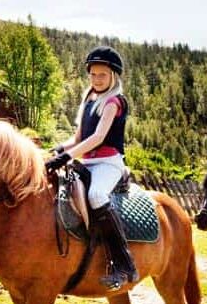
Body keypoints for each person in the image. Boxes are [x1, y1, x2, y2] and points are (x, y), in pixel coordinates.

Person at [45, 46, 138, 290]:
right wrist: (57, 150)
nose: (97, 80)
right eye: (93, 75)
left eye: (103, 75)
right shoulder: (89, 100)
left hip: (109, 163)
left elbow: (97, 138)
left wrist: (65, 158)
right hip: (86, 161)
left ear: (113, 77)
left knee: (96, 195)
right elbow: (77, 138)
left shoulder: (114, 102)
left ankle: (124, 263)